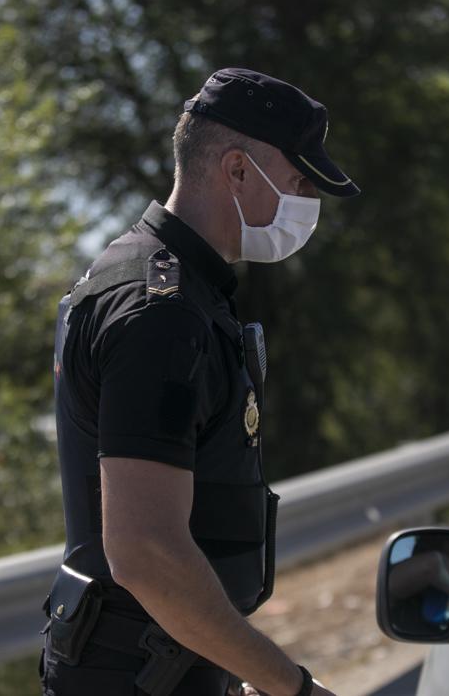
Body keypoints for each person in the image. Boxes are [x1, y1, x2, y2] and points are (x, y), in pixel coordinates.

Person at [42, 67, 360, 696]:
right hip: (138, 675)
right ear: (237, 171)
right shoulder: (160, 313)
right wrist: (288, 686)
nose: (305, 201)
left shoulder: (164, 282)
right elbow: (146, 552)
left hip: (160, 663)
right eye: (297, 180)